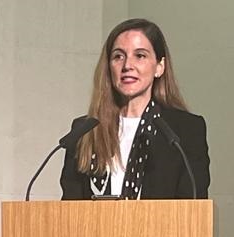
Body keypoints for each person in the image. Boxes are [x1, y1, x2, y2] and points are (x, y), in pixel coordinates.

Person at [60, 18, 210, 200]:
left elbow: (193, 207)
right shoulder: (84, 130)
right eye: (118, 56)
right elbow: (69, 210)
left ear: (159, 67)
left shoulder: (184, 131)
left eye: (140, 55)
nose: (127, 66)